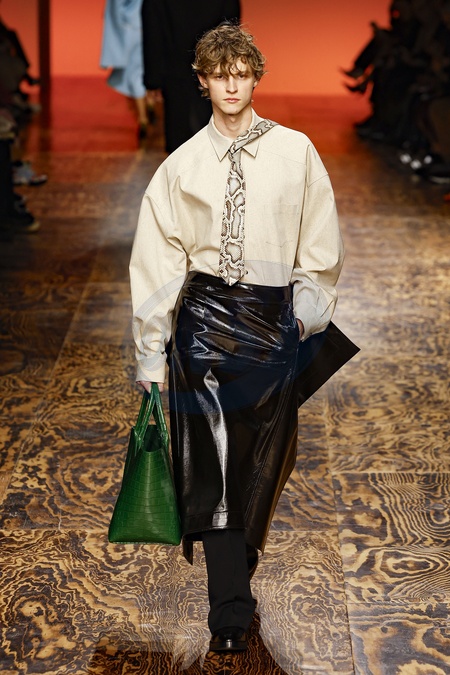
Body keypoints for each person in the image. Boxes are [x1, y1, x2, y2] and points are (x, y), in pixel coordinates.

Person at [129, 24, 344, 653]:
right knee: (218, 464)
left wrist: (304, 316)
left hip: (273, 321)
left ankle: (235, 574)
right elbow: (157, 263)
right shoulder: (181, 166)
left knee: (263, 463)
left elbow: (320, 246)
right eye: (219, 74)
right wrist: (150, 351)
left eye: (241, 73)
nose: (230, 84)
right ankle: (228, 609)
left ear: (255, 78)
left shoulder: (296, 153)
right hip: (204, 326)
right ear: (202, 81)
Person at [141, 0, 240, 153]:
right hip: (212, 68)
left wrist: (152, 80)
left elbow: (153, 31)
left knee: (179, 136)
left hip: (175, 70)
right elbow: (230, 24)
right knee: (213, 134)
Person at [100, 0, 152, 141]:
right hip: (149, 26)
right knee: (145, 69)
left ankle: (143, 119)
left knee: (134, 75)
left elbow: (115, 10)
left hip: (132, 29)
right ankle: (149, 104)